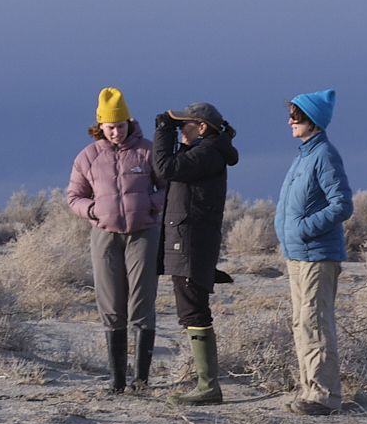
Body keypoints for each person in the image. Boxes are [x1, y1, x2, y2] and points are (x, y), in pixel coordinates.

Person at [64, 87, 164, 392]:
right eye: (110, 127)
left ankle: (141, 381)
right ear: (100, 127)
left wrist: (150, 205)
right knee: (110, 303)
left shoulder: (148, 151)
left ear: (129, 122)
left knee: (142, 301)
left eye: (121, 126)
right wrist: (92, 210)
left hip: (143, 234)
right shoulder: (87, 157)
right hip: (105, 236)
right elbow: (73, 196)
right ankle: (118, 381)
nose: (117, 133)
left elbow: (168, 187)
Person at [153, 102, 238, 405]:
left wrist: (163, 131)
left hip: (191, 243)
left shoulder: (207, 153)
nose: (180, 128)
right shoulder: (206, 152)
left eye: (183, 124)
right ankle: (206, 383)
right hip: (189, 241)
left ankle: (208, 386)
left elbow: (164, 169)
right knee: (191, 309)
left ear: (202, 127)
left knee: (193, 310)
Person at [275, 89, 354, 413]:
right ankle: (310, 391)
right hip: (297, 255)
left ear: (314, 121)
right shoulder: (304, 154)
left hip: (317, 255)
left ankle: (324, 397)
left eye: (298, 116)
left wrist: (303, 229)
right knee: (302, 323)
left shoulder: (324, 154)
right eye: (291, 114)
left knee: (315, 324)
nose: (291, 120)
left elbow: (342, 205)